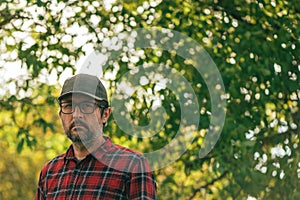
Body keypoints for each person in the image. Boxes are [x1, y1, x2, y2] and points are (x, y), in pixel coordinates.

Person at [35, 73, 157, 200]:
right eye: (68, 106)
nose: (76, 115)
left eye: (86, 106)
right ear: (60, 114)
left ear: (105, 114)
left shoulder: (133, 166)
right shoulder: (50, 172)